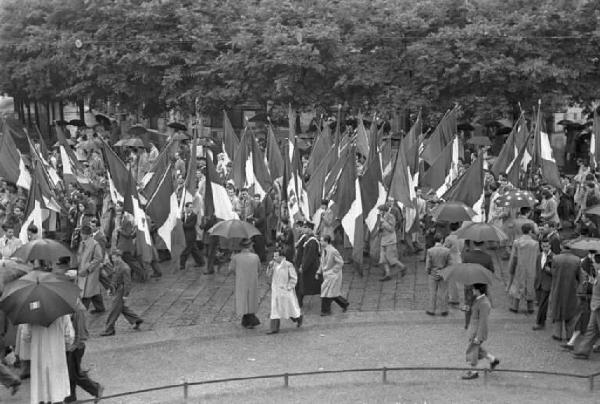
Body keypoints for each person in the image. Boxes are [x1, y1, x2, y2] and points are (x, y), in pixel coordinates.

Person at [22, 315, 74, 404]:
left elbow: (26, 336)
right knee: (57, 390)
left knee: (40, 390)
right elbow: (69, 336)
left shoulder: (30, 314)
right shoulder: (62, 313)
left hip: (38, 356)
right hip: (57, 355)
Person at [65, 297, 104, 402]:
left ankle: (96, 388)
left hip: (76, 347)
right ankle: (70, 398)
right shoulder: (70, 306)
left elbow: (81, 331)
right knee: (69, 373)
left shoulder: (79, 309)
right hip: (70, 346)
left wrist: (75, 345)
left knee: (74, 374)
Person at [100, 249, 143, 336]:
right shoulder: (117, 264)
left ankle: (109, 329)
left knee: (114, 310)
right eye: (112, 258)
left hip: (121, 290)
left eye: (114, 258)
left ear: (119, 257)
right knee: (121, 307)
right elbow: (114, 279)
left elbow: (128, 283)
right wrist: (111, 289)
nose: (113, 260)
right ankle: (136, 319)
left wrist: (125, 295)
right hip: (117, 289)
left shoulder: (125, 268)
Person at [462, 283, 500, 380]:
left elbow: (483, 321)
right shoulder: (479, 299)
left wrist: (478, 337)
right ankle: (493, 360)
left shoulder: (484, 303)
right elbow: (474, 311)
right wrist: (466, 308)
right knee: (477, 350)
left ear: (478, 290)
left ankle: (474, 371)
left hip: (477, 331)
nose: (472, 290)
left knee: (472, 350)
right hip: (474, 330)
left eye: (473, 289)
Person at [548, 245, 581, 342]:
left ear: (562, 247)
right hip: (571, 290)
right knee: (570, 312)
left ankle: (557, 334)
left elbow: (553, 273)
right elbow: (579, 276)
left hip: (558, 288)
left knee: (557, 310)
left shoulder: (555, 258)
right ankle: (569, 335)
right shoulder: (577, 260)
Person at [266, 249, 303, 334]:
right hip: (276, 290)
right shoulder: (273, 265)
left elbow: (293, 277)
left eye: (276, 256)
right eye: (274, 256)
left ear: (282, 257)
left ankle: (298, 318)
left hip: (285, 290)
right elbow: (268, 275)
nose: (274, 258)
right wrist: (269, 267)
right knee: (275, 309)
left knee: (290, 307)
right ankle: (274, 328)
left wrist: (289, 287)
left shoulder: (288, 265)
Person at [507, 223, 539, 313]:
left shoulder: (517, 242)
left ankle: (515, 307)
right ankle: (530, 307)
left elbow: (514, 257)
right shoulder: (535, 244)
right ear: (530, 231)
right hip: (531, 268)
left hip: (520, 268)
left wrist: (511, 269)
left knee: (518, 286)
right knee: (530, 286)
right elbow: (538, 258)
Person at [230, 238, 260, 328]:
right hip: (253, 282)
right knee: (251, 299)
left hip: (241, 282)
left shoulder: (236, 257)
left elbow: (231, 269)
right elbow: (259, 268)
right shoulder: (255, 257)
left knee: (243, 300)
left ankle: (248, 320)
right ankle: (249, 319)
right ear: (250, 246)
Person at [317, 235, 349, 316]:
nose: (320, 242)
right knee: (331, 292)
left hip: (333, 275)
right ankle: (344, 303)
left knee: (326, 292)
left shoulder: (333, 251)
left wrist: (333, 271)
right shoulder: (324, 250)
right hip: (328, 275)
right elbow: (322, 262)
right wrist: (318, 272)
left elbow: (340, 262)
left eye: (321, 241)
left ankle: (325, 311)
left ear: (326, 241)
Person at [573, 266, 600, 359]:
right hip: (595, 306)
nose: (593, 263)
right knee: (592, 329)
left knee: (593, 329)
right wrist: (592, 282)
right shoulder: (598, 273)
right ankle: (583, 351)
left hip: (598, 306)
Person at [77, 224, 105, 313]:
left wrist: (89, 268)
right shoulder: (82, 243)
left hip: (90, 272)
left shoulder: (95, 244)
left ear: (87, 234)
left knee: (86, 293)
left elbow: (98, 258)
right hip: (83, 270)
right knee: (93, 290)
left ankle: (81, 312)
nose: (81, 235)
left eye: (82, 234)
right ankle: (100, 308)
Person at [377, 205, 407, 281]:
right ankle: (388, 274)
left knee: (391, 258)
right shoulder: (381, 218)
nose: (379, 212)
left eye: (380, 210)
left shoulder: (390, 217)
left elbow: (391, 229)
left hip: (390, 241)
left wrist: (383, 223)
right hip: (383, 240)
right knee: (383, 259)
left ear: (384, 211)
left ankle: (403, 267)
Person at [425, 233, 451, 316]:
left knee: (432, 292)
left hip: (433, 273)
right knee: (444, 292)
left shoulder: (430, 250)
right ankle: (444, 310)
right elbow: (449, 263)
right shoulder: (447, 251)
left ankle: (431, 309)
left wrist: (428, 271)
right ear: (442, 240)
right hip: (443, 273)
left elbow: (428, 264)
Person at [298, 222, 322, 308]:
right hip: (309, 267)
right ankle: (299, 302)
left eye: (305, 227)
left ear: (309, 229)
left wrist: (303, 267)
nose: (303, 229)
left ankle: (338, 301)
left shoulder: (312, 241)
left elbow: (309, 257)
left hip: (312, 268)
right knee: (303, 286)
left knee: (321, 287)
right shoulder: (307, 238)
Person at [533, 238, 553, 331]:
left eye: (547, 246)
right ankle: (542, 321)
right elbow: (538, 270)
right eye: (543, 246)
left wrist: (550, 271)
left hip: (547, 284)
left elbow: (556, 272)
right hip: (539, 283)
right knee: (541, 304)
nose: (545, 248)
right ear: (541, 246)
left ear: (550, 246)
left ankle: (539, 323)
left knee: (542, 304)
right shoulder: (539, 256)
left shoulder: (554, 257)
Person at [180, 202, 205, 270]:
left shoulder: (194, 215)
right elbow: (181, 221)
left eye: (192, 207)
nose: (191, 209)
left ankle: (182, 264)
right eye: (190, 207)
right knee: (194, 250)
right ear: (186, 208)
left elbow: (190, 225)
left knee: (186, 250)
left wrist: (182, 224)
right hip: (186, 235)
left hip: (191, 236)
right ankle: (201, 262)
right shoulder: (184, 215)